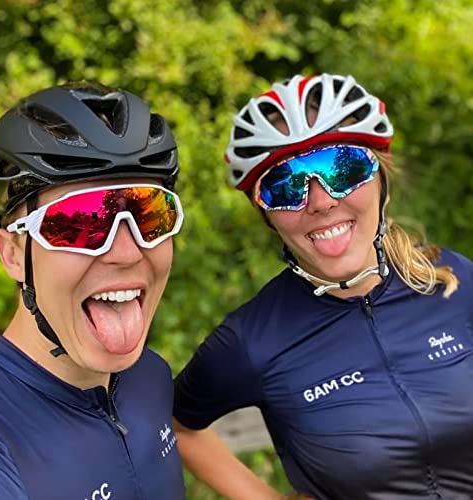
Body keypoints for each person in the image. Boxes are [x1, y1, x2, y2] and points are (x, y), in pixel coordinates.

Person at [173, 73, 473, 499]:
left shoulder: (451, 279)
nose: (321, 201)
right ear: (267, 215)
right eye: (286, 185)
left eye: (343, 168)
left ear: (382, 182)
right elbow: (178, 425)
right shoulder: (252, 339)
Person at [0, 82, 186, 499]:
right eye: (79, 222)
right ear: (13, 254)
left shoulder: (150, 375)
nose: (126, 252)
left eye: (149, 214)